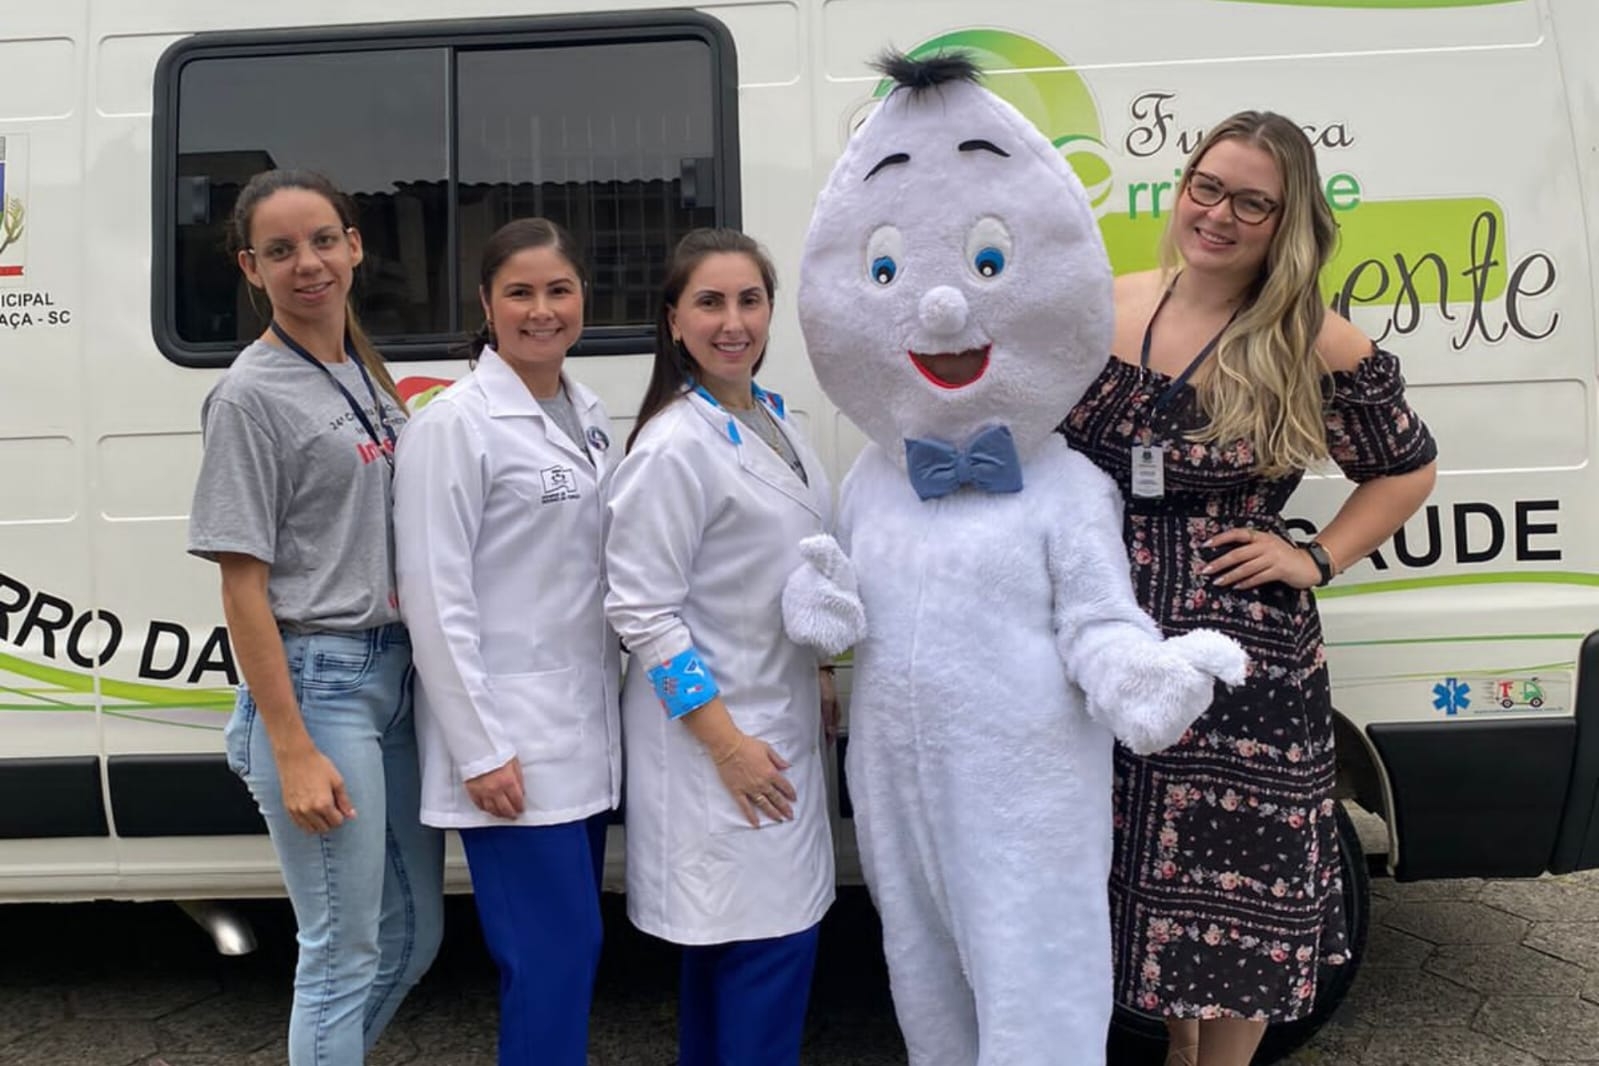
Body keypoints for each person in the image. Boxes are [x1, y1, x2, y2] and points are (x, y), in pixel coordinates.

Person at [1061, 111, 1438, 1066]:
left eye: (1251, 203)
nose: (1219, 214)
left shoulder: (1311, 340)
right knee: (1139, 885)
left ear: (1287, 220)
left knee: (1233, 899)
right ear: (1182, 187)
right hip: (1105, 642)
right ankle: (1177, 1053)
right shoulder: (1101, 305)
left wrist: (1315, 557)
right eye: (1207, 187)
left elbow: (1405, 470)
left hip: (1239, 668)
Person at [189, 169, 444, 1065]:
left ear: (355, 246)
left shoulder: (359, 369)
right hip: (318, 688)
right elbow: (241, 587)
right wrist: (291, 747)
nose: (309, 263)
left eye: (324, 240)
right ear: (249, 267)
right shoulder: (248, 395)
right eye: (282, 249)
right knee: (341, 953)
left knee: (413, 936)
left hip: (393, 680)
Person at [603, 227, 837, 1066]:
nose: (732, 322)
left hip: (774, 719)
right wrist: (726, 744)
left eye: (749, 300)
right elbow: (641, 614)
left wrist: (819, 670)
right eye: (709, 302)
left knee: (733, 967)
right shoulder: (674, 446)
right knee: (764, 959)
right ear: (673, 320)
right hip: (720, 746)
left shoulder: (772, 419)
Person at [391, 218, 620, 1066]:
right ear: (486, 306)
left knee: (572, 952)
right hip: (510, 746)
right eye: (519, 293)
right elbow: (433, 598)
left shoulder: (588, 414)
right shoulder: (453, 426)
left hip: (581, 735)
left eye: (558, 290)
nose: (541, 310)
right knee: (551, 959)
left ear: (583, 299)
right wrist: (481, 749)